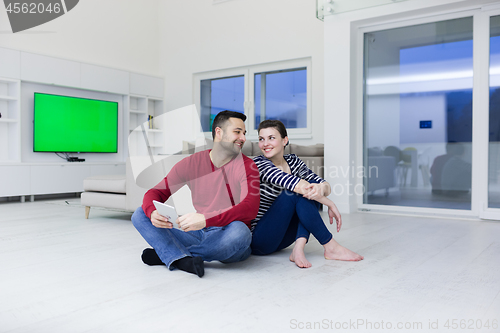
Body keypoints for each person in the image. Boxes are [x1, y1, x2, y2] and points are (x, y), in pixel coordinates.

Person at [131, 111, 260, 277]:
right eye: (237, 132)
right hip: (196, 231)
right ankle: (180, 258)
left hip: (227, 234)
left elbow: (250, 208)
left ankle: (170, 255)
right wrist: (153, 212)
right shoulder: (191, 163)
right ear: (219, 133)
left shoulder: (247, 166)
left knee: (240, 233)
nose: (243, 138)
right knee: (140, 214)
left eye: (244, 133)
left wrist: (206, 219)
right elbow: (156, 192)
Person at [250, 120, 363, 268]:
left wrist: (321, 188)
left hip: (283, 238)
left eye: (271, 138)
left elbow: (324, 185)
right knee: (295, 192)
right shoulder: (259, 163)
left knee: (311, 186)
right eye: (261, 139)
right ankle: (331, 247)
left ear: (285, 140)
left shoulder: (293, 161)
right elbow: (295, 185)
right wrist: (329, 203)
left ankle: (298, 248)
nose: (265, 143)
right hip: (260, 240)